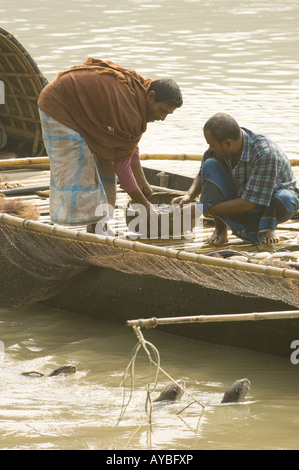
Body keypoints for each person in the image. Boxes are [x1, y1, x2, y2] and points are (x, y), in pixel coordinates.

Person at [38, 58, 183, 232]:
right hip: (59, 106)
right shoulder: (130, 110)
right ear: (151, 97)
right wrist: (144, 205)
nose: (162, 118)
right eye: (162, 111)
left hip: (83, 111)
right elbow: (121, 167)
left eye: (168, 114)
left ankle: (100, 226)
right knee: (81, 166)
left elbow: (128, 146)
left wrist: (143, 183)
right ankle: (78, 226)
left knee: (104, 167)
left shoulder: (141, 95)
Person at [171, 113, 299, 245]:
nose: (210, 148)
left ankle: (268, 226)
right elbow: (201, 173)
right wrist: (188, 196)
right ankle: (220, 229)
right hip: (242, 194)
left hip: (273, 201)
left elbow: (249, 203)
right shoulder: (219, 149)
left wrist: (201, 209)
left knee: (283, 198)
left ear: (228, 143)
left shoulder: (266, 154)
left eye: (213, 145)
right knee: (210, 165)